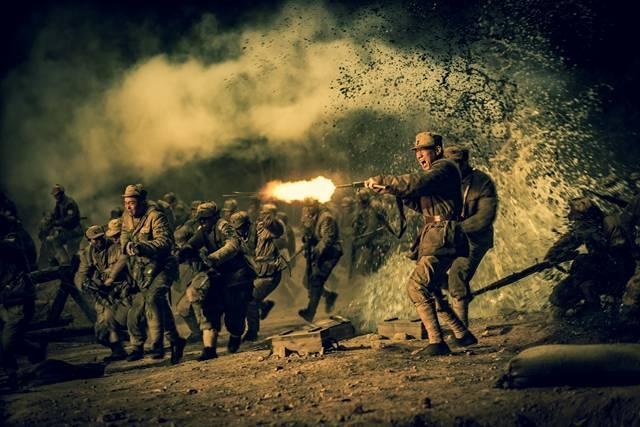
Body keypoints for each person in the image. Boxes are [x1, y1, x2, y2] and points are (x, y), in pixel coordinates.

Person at [364, 131, 477, 355]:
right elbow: (422, 205)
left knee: (416, 287)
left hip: (442, 235)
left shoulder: (444, 168)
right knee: (432, 288)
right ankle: (462, 334)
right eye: (417, 151)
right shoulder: (437, 174)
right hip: (437, 234)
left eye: (423, 150)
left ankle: (437, 342)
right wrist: (392, 190)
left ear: (437, 150)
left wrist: (386, 180)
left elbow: (418, 182)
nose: (418, 155)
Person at [116, 184, 186, 363]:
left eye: (132, 202)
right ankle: (175, 340)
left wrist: (141, 246)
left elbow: (164, 242)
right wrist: (127, 245)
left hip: (162, 265)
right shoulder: (126, 216)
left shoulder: (155, 216)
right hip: (142, 268)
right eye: (126, 203)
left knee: (154, 298)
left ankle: (157, 345)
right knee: (157, 303)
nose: (128, 206)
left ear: (141, 202)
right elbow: (124, 234)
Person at [177, 202, 255, 361]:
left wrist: (213, 258)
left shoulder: (223, 226)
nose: (202, 222)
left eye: (205, 219)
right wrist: (185, 251)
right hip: (218, 276)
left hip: (237, 277)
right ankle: (209, 349)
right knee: (209, 309)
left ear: (214, 217)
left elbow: (233, 245)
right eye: (200, 219)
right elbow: (193, 243)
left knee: (234, 316)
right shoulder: (203, 230)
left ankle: (235, 335)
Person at [546, 197, 635, 316]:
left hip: (618, 274)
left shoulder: (610, 224)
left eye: (577, 218)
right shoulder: (590, 226)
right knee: (559, 295)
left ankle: (595, 311)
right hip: (605, 271)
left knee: (582, 266)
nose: (573, 220)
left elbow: (621, 257)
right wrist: (553, 256)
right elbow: (572, 239)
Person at [443, 146, 498, 326]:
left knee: (457, 273)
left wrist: (457, 229)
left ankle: (461, 330)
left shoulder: (482, 182)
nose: (455, 167)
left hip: (475, 239)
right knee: (429, 270)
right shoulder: (443, 181)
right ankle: (461, 293)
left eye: (458, 163)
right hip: (453, 237)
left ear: (466, 162)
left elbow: (485, 217)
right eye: (450, 164)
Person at [75, 224, 134, 361]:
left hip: (121, 292)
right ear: (89, 241)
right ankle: (118, 348)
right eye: (95, 239)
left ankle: (127, 344)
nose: (99, 241)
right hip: (103, 295)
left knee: (117, 320)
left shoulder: (116, 247)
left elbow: (124, 262)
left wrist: (112, 277)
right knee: (101, 333)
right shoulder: (87, 253)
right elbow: (81, 273)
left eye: (100, 237)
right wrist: (86, 284)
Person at [0, 209, 46, 388]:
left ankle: (15, 372)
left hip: (17, 299)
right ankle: (15, 371)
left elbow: (18, 252)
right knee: (7, 340)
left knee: (7, 342)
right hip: (6, 299)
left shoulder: (12, 242)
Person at [238, 204, 286, 341]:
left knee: (250, 301)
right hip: (258, 273)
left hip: (269, 274)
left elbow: (278, 231)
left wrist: (271, 221)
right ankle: (264, 305)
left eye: (240, 227)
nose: (239, 230)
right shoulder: (242, 236)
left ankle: (252, 332)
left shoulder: (262, 228)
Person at [298, 198, 342, 322]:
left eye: (311, 206)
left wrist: (314, 252)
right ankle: (330, 296)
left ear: (316, 205)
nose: (308, 209)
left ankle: (310, 312)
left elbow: (327, 240)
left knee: (316, 280)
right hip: (318, 252)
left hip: (331, 252)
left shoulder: (326, 218)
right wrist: (306, 230)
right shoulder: (309, 216)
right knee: (307, 282)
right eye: (306, 206)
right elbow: (306, 235)